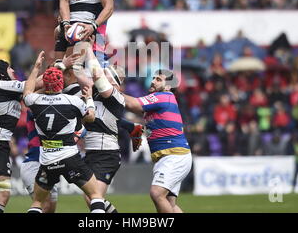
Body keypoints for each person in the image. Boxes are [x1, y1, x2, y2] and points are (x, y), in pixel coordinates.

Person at [23, 51, 110, 213]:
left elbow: (27, 91)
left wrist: (36, 68)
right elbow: (90, 118)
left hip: (47, 161)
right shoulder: (73, 101)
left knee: (37, 203)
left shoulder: (34, 101)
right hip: (70, 158)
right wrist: (89, 97)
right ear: (61, 82)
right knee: (96, 195)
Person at [77, 48, 143, 213]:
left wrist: (87, 49)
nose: (99, 78)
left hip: (106, 154)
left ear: (114, 81)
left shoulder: (115, 96)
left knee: (95, 197)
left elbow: (97, 76)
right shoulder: (95, 95)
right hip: (92, 153)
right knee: (90, 198)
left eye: (105, 75)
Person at [120, 69, 192, 213]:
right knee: (169, 204)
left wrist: (108, 90)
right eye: (153, 78)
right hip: (169, 156)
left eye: (158, 79)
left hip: (174, 155)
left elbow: (132, 103)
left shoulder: (163, 96)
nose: (152, 81)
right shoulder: (158, 102)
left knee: (157, 193)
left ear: (168, 86)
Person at [0, 58, 40, 213]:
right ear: (2, 74)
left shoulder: (6, 91)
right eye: (10, 68)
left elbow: (31, 91)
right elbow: (33, 85)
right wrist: (52, 66)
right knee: (2, 196)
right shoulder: (2, 85)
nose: (13, 71)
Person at [20, 53, 80, 213]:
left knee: (50, 207)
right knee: (43, 205)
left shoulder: (51, 101)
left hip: (49, 162)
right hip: (34, 162)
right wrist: (61, 65)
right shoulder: (37, 102)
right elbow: (34, 89)